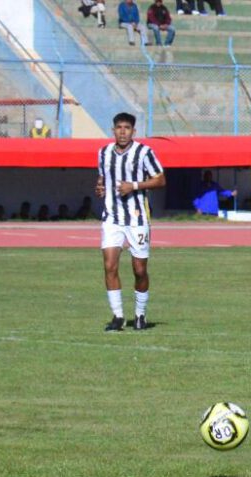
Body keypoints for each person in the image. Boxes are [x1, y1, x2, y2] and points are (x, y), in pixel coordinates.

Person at [95, 112, 166, 331]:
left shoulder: (144, 152)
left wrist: (133, 186)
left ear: (133, 131)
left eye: (127, 128)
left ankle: (140, 315)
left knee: (139, 270)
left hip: (137, 218)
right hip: (111, 217)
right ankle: (117, 317)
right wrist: (100, 188)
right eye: (119, 128)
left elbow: (160, 179)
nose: (123, 132)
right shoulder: (104, 152)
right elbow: (102, 178)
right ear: (113, 130)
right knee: (109, 265)